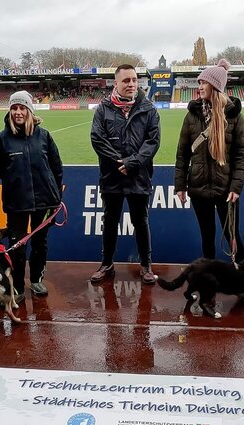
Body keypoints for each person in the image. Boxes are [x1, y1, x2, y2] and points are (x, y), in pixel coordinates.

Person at [89, 64, 161, 284]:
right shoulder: (103, 109)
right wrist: (118, 162)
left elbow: (153, 141)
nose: (131, 84)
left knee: (141, 221)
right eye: (126, 81)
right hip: (112, 176)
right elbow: (97, 139)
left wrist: (132, 162)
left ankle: (146, 266)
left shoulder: (148, 109)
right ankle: (107, 264)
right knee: (110, 221)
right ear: (116, 83)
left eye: (134, 80)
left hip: (138, 175)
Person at [0, 90, 63, 297]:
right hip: (17, 202)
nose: (18, 112)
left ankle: (37, 280)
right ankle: (18, 286)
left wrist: (55, 195)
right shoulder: (1, 139)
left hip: (45, 201)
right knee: (17, 246)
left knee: (40, 243)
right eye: (14, 108)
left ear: (30, 110)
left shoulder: (44, 136)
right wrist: (15, 180)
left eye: (22, 108)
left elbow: (56, 167)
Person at [174, 59, 244, 261]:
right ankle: (209, 280)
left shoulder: (234, 117)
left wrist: (235, 187)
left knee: (232, 236)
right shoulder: (191, 116)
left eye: (202, 83)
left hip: (226, 190)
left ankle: (241, 277)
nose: (199, 88)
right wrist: (180, 185)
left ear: (214, 86)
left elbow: (241, 155)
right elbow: (182, 153)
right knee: (207, 238)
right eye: (199, 83)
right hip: (199, 189)